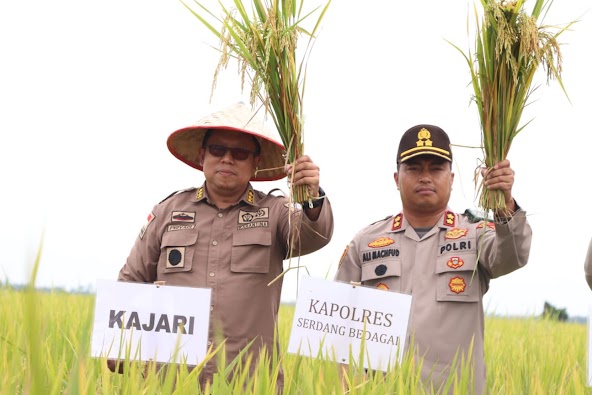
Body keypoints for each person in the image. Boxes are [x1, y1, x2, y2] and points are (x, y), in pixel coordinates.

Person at [108, 102, 334, 388]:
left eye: (240, 153)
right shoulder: (168, 211)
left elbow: (316, 235)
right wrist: (118, 343)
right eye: (218, 150)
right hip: (174, 381)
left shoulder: (275, 211)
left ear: (255, 163)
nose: (228, 159)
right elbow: (132, 280)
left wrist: (311, 196)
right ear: (203, 155)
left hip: (250, 382)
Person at [334, 124, 531, 394]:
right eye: (414, 168)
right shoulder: (365, 242)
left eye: (436, 168)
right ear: (396, 178)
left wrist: (505, 206)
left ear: (451, 178)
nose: (425, 177)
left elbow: (513, 256)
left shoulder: (476, 234)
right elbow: (336, 330)